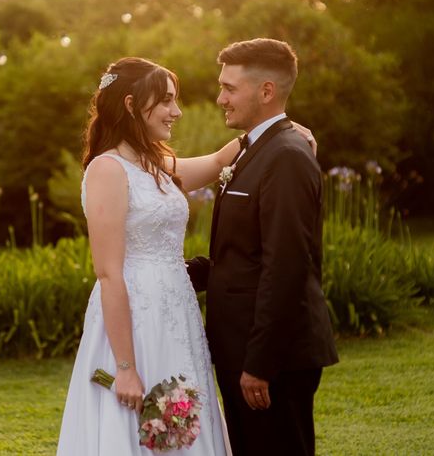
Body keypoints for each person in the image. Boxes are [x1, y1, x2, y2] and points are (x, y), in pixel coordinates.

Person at [56, 57, 316, 455]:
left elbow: (215, 163)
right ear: (130, 105)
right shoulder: (107, 170)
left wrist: (279, 131)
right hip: (137, 328)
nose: (176, 111)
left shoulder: (151, 163)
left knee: (183, 428)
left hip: (177, 318)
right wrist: (124, 369)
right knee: (142, 428)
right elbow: (109, 274)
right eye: (167, 101)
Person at [186, 38, 339, 456]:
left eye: (229, 88)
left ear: (266, 91)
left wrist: (260, 364)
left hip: (273, 360)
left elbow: (286, 267)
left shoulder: (286, 156)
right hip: (245, 349)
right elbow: (245, 256)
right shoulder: (260, 149)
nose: (220, 98)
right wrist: (171, 273)